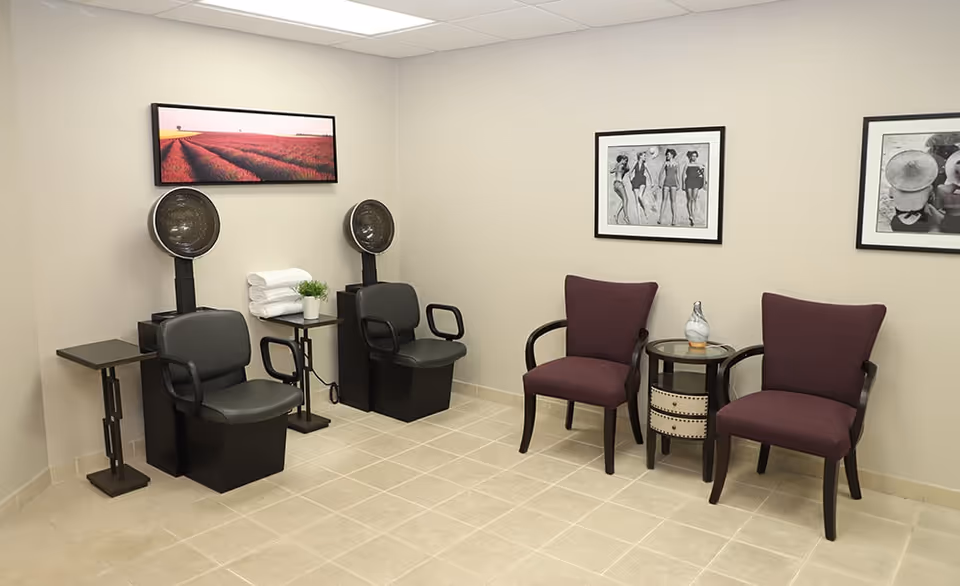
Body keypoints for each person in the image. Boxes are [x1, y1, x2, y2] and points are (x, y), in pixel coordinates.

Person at [682, 150, 706, 227]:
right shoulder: (687, 164)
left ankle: (693, 215)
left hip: (696, 182)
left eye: (695, 156)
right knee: (690, 198)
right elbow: (683, 175)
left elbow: (704, 173)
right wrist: (683, 184)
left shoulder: (699, 165)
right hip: (689, 181)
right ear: (690, 157)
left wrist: (704, 182)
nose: (694, 157)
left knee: (694, 199)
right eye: (693, 156)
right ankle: (690, 215)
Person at [658, 149, 680, 225]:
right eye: (667, 154)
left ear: (672, 155)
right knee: (664, 200)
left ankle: (674, 219)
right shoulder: (666, 163)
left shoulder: (676, 164)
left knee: (673, 201)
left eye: (668, 154)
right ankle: (660, 218)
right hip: (666, 182)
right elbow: (660, 173)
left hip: (673, 183)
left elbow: (678, 175)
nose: (667, 155)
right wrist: (660, 182)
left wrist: (678, 184)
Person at [630, 151, 652, 223]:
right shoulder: (635, 163)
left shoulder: (645, 164)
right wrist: (631, 180)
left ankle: (645, 211)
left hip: (642, 180)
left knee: (640, 196)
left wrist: (652, 183)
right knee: (637, 201)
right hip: (635, 181)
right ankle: (639, 220)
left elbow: (649, 174)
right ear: (640, 156)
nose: (645, 157)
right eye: (644, 156)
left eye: (645, 156)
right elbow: (630, 172)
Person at [610, 154, 631, 224]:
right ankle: (626, 216)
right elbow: (628, 168)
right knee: (626, 199)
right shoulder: (621, 166)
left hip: (615, 185)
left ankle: (616, 215)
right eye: (625, 160)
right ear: (621, 160)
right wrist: (623, 163)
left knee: (623, 200)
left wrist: (615, 170)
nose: (625, 162)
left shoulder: (617, 165)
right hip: (619, 184)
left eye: (626, 161)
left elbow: (611, 171)